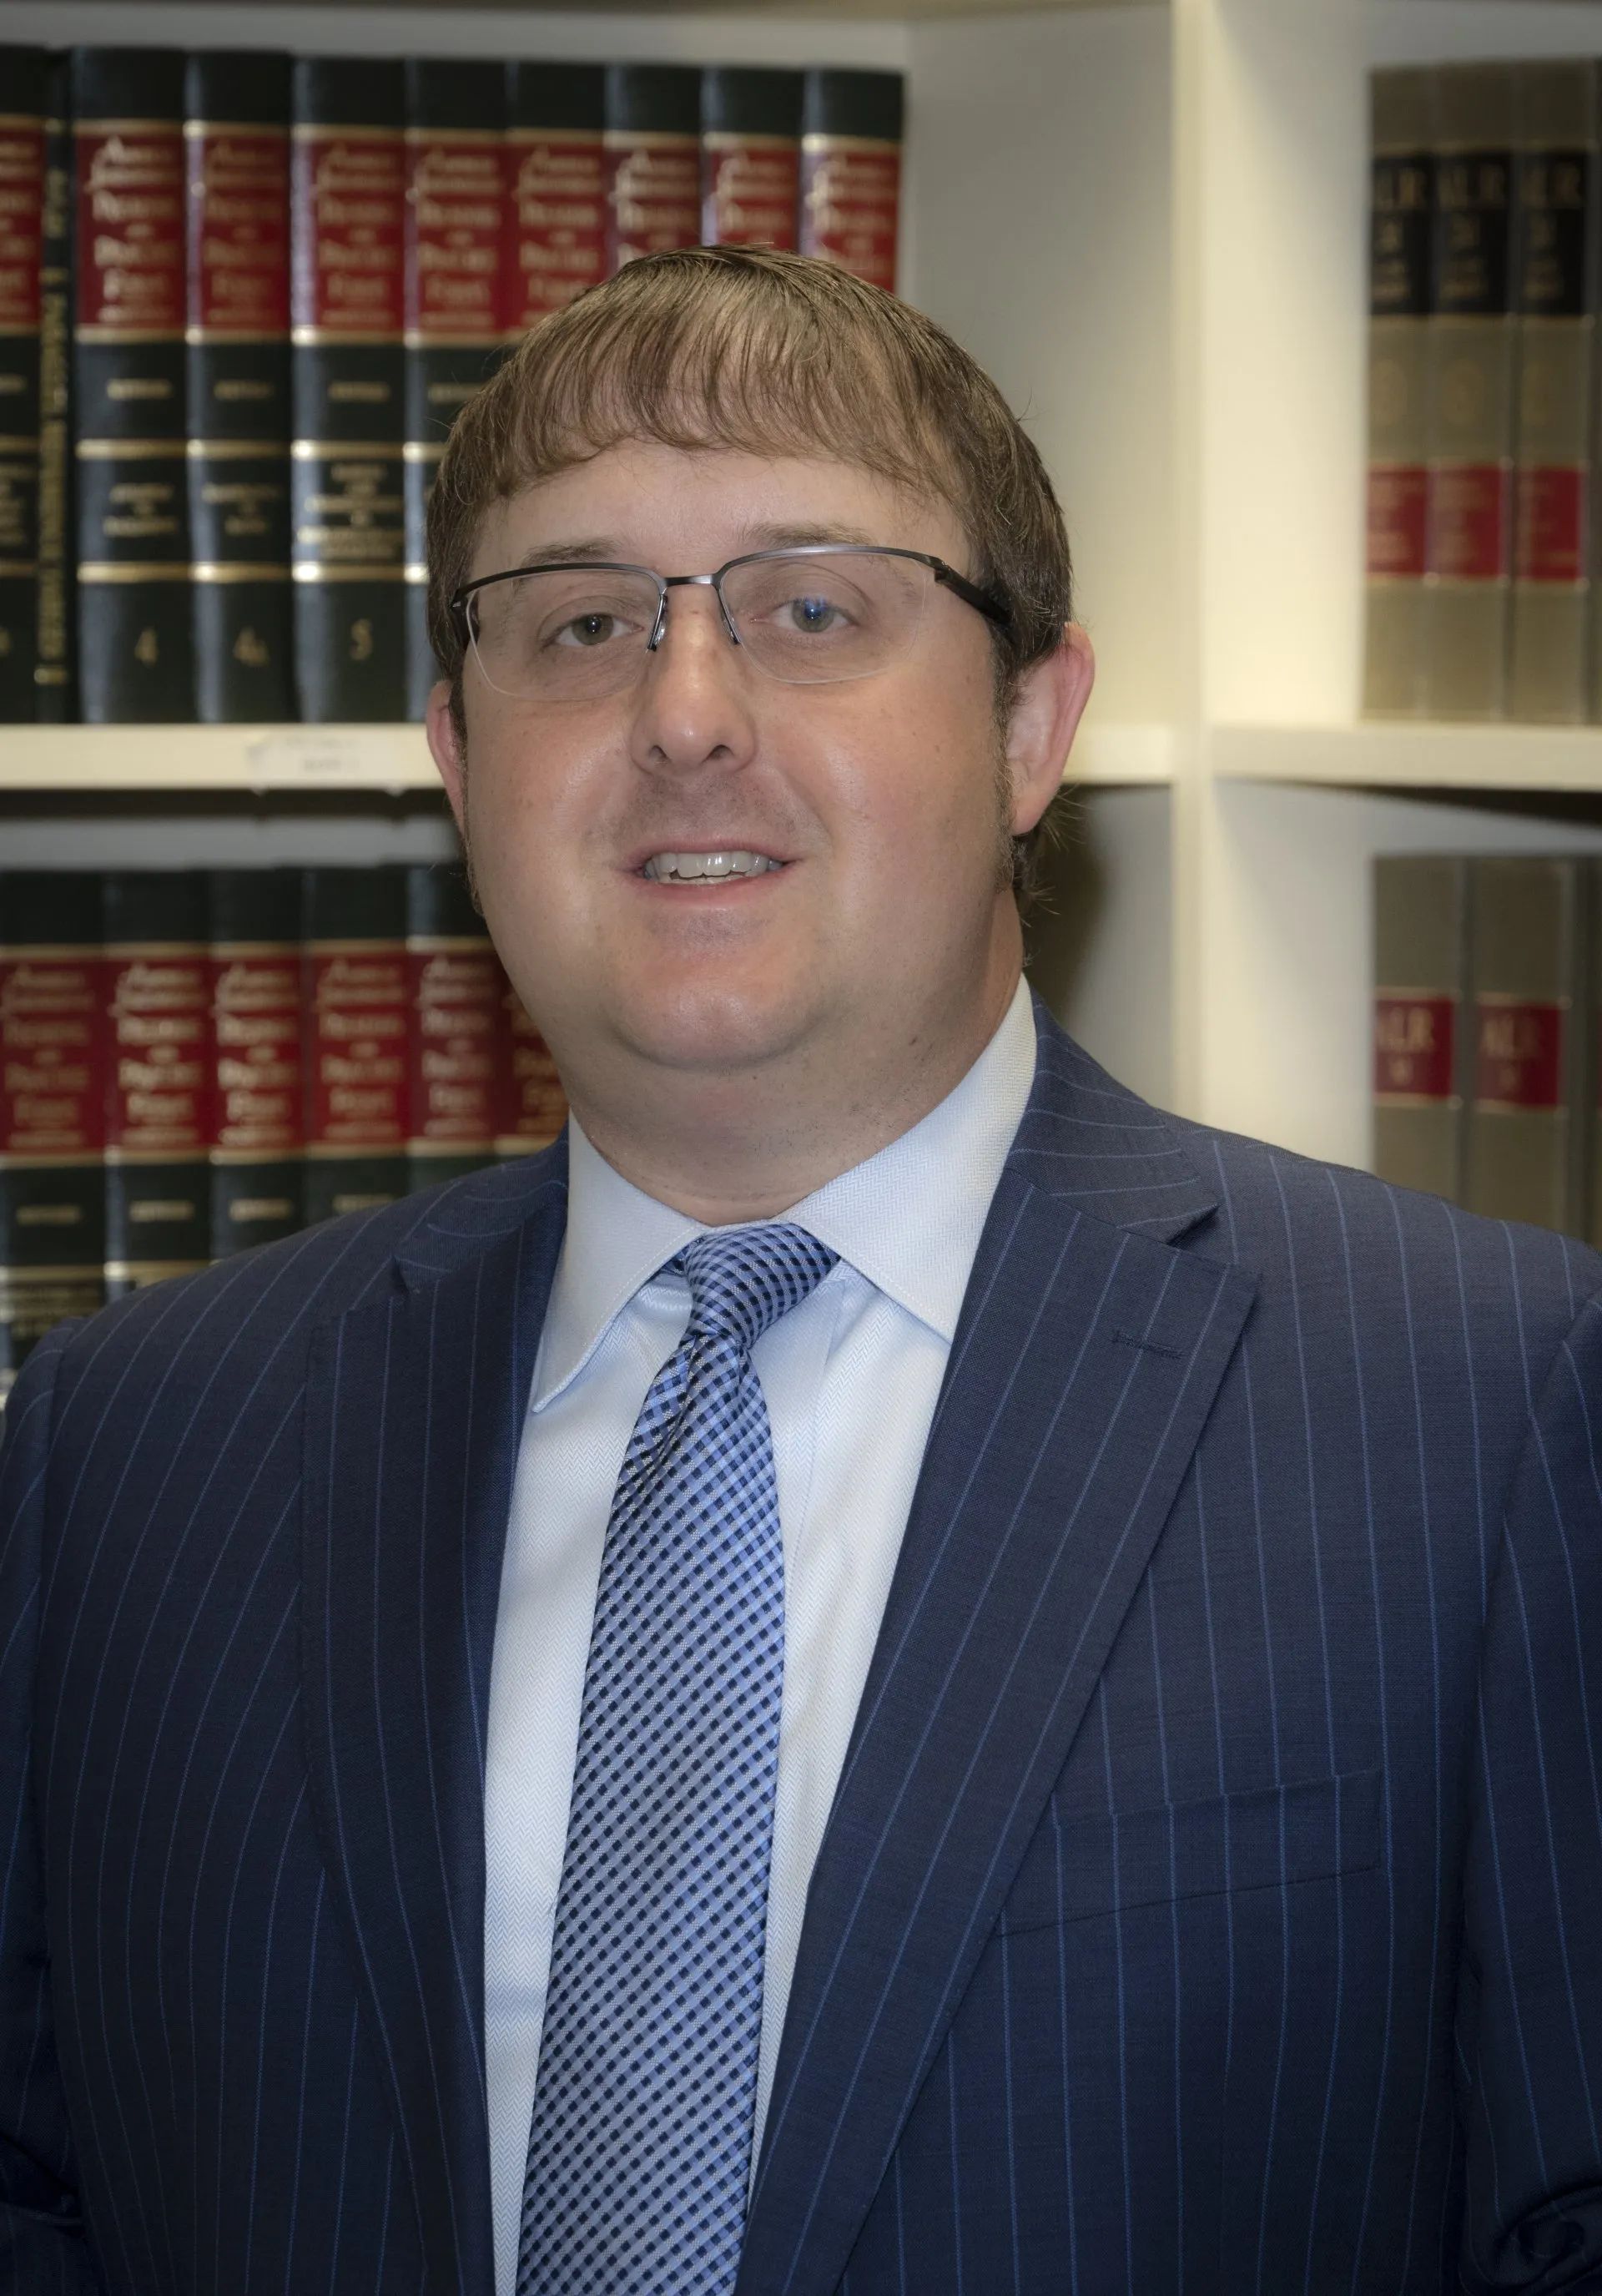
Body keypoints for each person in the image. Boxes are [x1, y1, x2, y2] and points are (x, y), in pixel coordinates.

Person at [2, 245, 1599, 2296]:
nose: (684, 713)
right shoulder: (134, 1440)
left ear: (1034, 724)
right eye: (579, 623)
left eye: (813, 605)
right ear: (457, 758)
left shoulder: (1480, 1402)